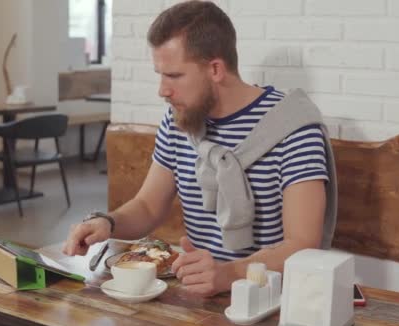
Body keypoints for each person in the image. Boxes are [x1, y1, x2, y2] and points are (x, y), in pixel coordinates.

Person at [63, 0, 336, 297]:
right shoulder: (179, 121)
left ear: (215, 69)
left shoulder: (294, 128)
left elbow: (302, 244)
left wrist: (229, 274)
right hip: (197, 295)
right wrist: (107, 222)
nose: (162, 90)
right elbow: (147, 206)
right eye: (160, 74)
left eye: (174, 76)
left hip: (270, 300)